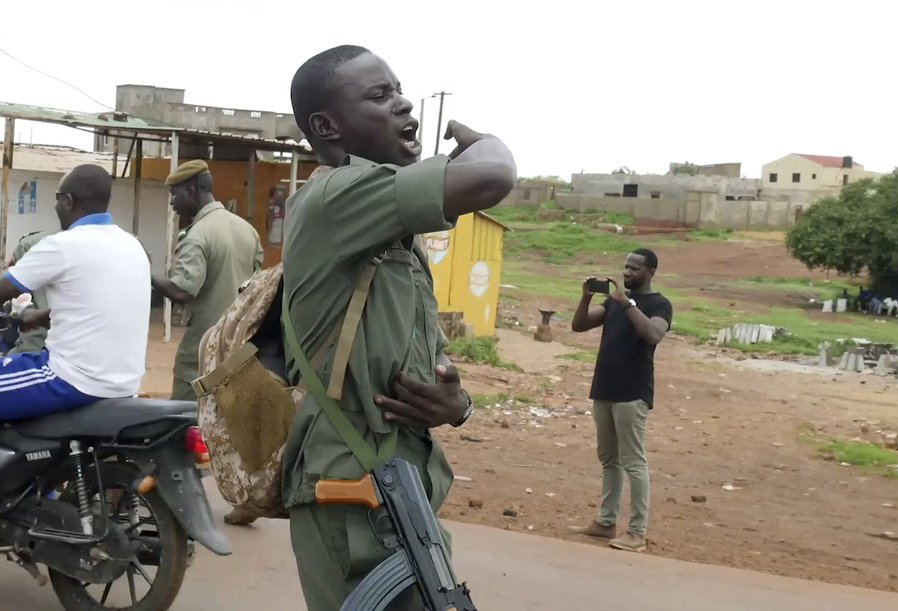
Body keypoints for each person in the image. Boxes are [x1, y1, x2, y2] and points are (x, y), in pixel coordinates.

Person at [283, 45, 516, 610]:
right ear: (326, 125)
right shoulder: (337, 196)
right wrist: (482, 141)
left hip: (398, 488)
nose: (404, 103)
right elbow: (492, 174)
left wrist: (454, 403)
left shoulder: (390, 233)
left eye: (399, 90)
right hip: (350, 489)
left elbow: (420, 364)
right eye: (379, 95)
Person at [0, 164, 152, 537]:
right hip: (121, 382)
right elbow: (99, 302)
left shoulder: (63, 245)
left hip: (68, 378)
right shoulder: (132, 245)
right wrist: (41, 316)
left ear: (67, 201)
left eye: (57, 201)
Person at [150, 160, 264, 525]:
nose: (172, 205)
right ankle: (249, 499)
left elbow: (184, 289)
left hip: (204, 345)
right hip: (244, 342)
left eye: (174, 196)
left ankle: (180, 499)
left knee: (183, 419)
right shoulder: (245, 230)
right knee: (240, 422)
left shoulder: (198, 235)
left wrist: (147, 274)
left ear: (192, 191)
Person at [570, 248, 673, 553]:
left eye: (636, 269)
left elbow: (654, 334)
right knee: (609, 459)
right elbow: (579, 325)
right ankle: (605, 522)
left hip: (632, 392)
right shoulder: (614, 302)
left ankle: (637, 532)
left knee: (633, 462)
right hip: (605, 389)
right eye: (626, 267)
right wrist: (587, 297)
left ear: (651, 272)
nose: (628, 273)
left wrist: (627, 304)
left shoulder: (659, 304)